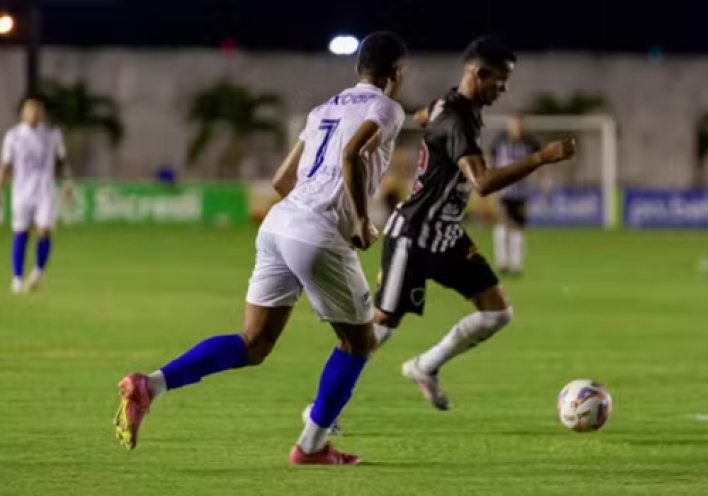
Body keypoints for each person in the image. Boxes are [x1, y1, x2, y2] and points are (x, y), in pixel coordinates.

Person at [113, 31, 408, 465]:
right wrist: (361, 220)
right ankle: (310, 446)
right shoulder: (386, 108)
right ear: (396, 74)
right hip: (318, 232)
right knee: (359, 342)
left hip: (280, 223)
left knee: (253, 342)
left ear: (357, 68)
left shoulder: (323, 109)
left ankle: (149, 385)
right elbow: (351, 155)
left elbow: (280, 181)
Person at [370, 35, 575, 410]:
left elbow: (421, 117)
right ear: (478, 73)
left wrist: (422, 124)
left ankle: (425, 366)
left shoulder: (450, 108)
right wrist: (541, 158)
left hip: (447, 235)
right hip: (414, 235)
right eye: (500, 79)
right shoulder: (455, 117)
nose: (505, 88)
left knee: (498, 312)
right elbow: (482, 182)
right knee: (380, 326)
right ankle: (321, 409)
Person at [0, 97, 71, 293]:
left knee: (45, 230)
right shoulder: (13, 136)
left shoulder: (52, 134)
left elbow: (62, 159)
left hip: (44, 192)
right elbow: (6, 165)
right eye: (30, 110)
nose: (34, 114)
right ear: (23, 113)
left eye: (38, 110)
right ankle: (17, 278)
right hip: (21, 192)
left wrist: (67, 184)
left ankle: (37, 273)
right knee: (21, 233)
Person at [489, 113, 541, 276]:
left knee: (519, 228)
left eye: (519, 124)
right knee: (502, 225)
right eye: (513, 123)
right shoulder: (499, 140)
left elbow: (540, 162)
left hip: (521, 192)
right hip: (503, 191)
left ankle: (516, 264)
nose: (516, 127)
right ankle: (503, 262)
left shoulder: (531, 142)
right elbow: (491, 161)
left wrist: (543, 181)